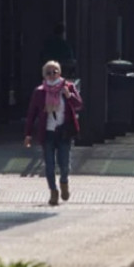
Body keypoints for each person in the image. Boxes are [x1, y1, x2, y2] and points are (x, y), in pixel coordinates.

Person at [24, 61, 83, 205]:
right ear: (44, 75)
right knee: (49, 166)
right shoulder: (39, 92)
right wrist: (28, 134)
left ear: (60, 72)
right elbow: (32, 114)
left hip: (63, 132)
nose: (52, 75)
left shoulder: (68, 87)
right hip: (48, 133)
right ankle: (53, 192)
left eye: (55, 71)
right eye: (49, 73)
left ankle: (64, 182)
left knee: (64, 165)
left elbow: (79, 105)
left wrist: (69, 96)